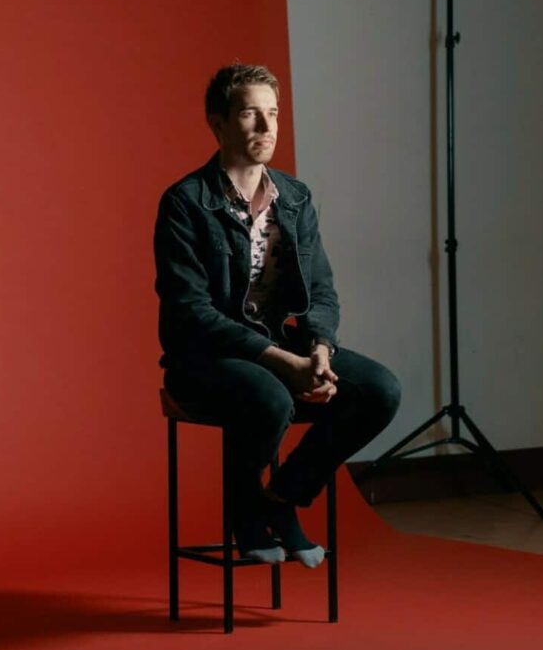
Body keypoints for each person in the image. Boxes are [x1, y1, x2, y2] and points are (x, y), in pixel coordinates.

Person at [154, 63, 401, 568]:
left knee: (380, 389)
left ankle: (282, 498)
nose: (267, 128)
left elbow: (322, 290)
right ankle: (244, 508)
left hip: (282, 345)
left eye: (274, 113)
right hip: (206, 357)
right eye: (251, 114)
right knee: (269, 396)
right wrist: (283, 363)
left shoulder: (294, 197)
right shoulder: (185, 203)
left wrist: (319, 351)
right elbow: (191, 311)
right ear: (219, 123)